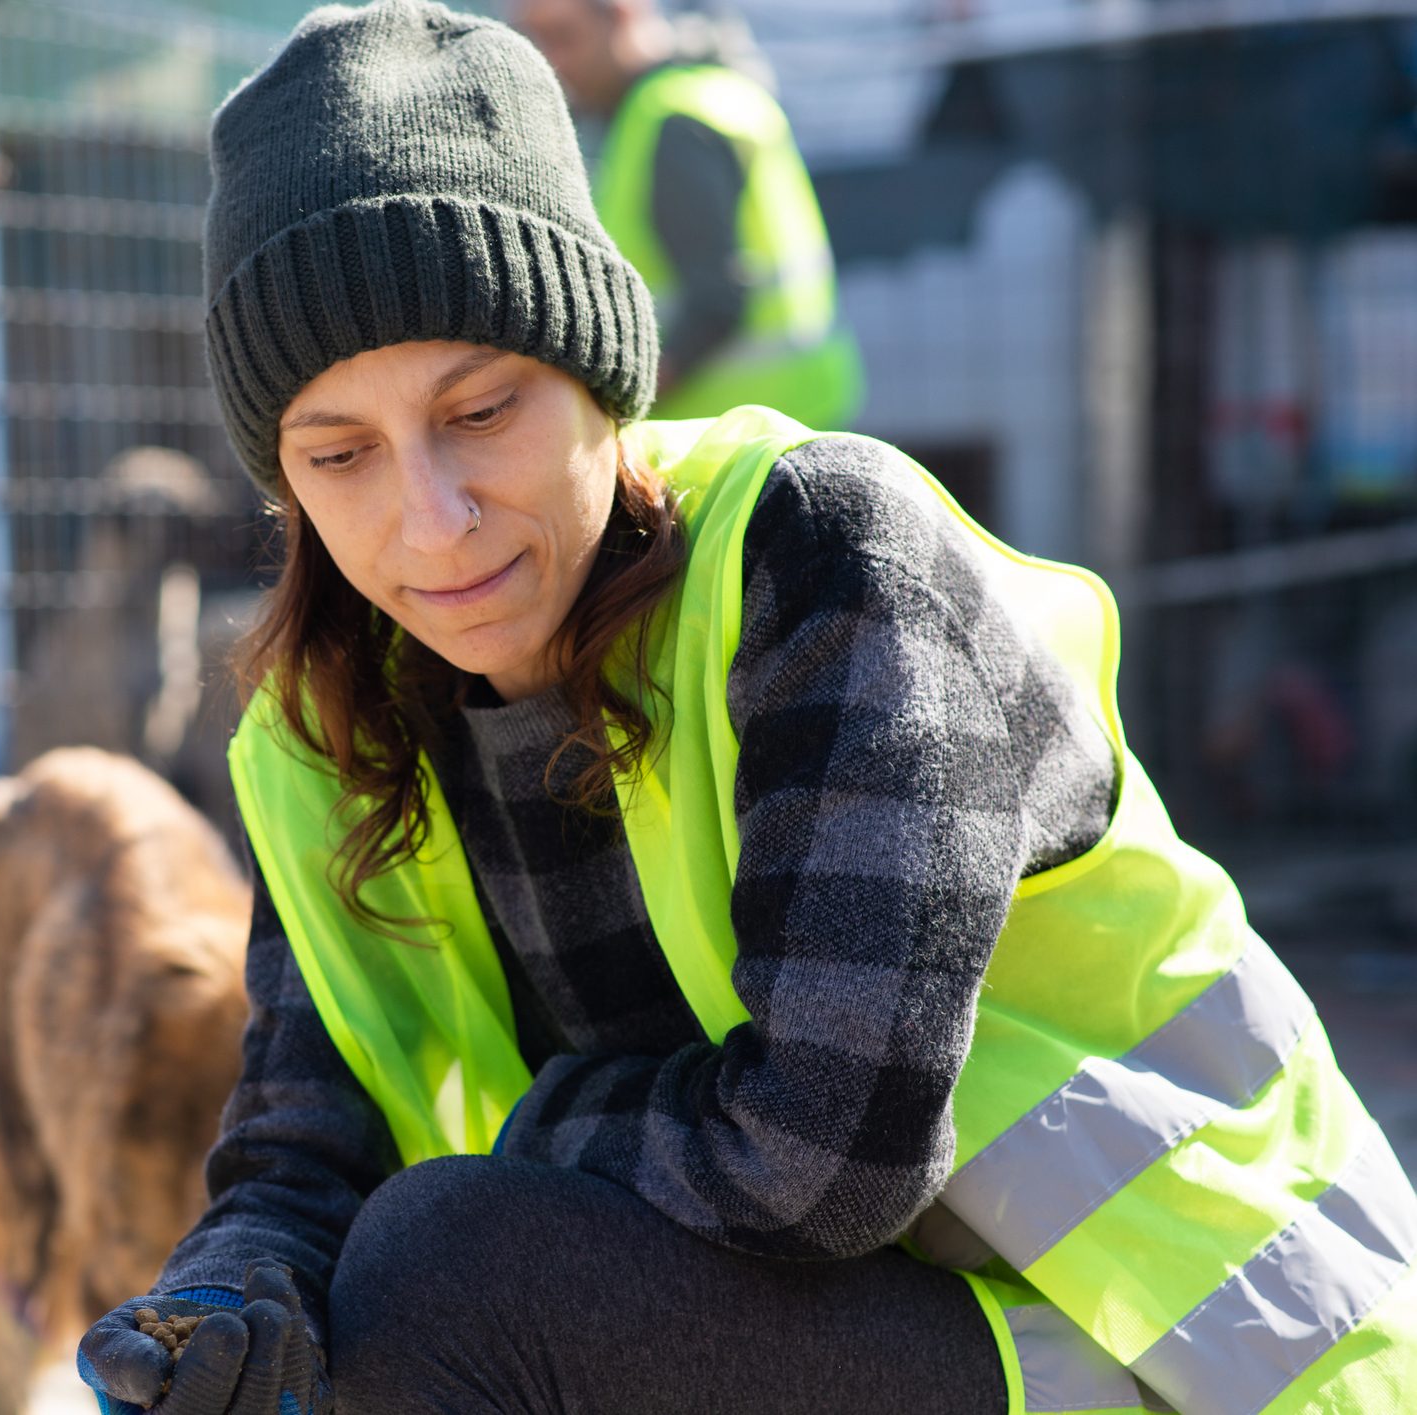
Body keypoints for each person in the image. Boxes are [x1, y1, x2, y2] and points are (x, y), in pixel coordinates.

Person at [73, 3, 1417, 1412]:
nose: (431, 519)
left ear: (598, 373)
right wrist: (232, 1289)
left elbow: (824, 1159)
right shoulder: (323, 729)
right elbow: (301, 1140)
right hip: (843, 1315)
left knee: (442, 1264)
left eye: (481, 411)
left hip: (1180, 1341)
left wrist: (524, 1130)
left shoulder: (826, 563)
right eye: (338, 453)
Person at [508, 0, 863, 430]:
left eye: (564, 37)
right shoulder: (708, 90)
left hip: (737, 429)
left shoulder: (673, 120)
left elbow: (716, 301)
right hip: (786, 408)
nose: (551, 61)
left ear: (623, 14)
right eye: (534, 39)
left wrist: (610, 402)